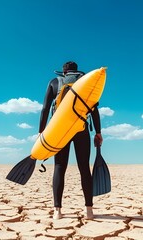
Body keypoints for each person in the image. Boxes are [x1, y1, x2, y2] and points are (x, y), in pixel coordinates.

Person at [38, 61, 103, 220]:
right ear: (77, 71)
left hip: (60, 131)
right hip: (81, 129)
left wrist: (41, 132)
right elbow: (94, 110)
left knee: (59, 167)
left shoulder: (54, 82)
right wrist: (98, 132)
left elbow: (45, 108)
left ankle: (57, 211)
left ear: (63, 72)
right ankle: (89, 210)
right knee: (84, 168)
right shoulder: (85, 83)